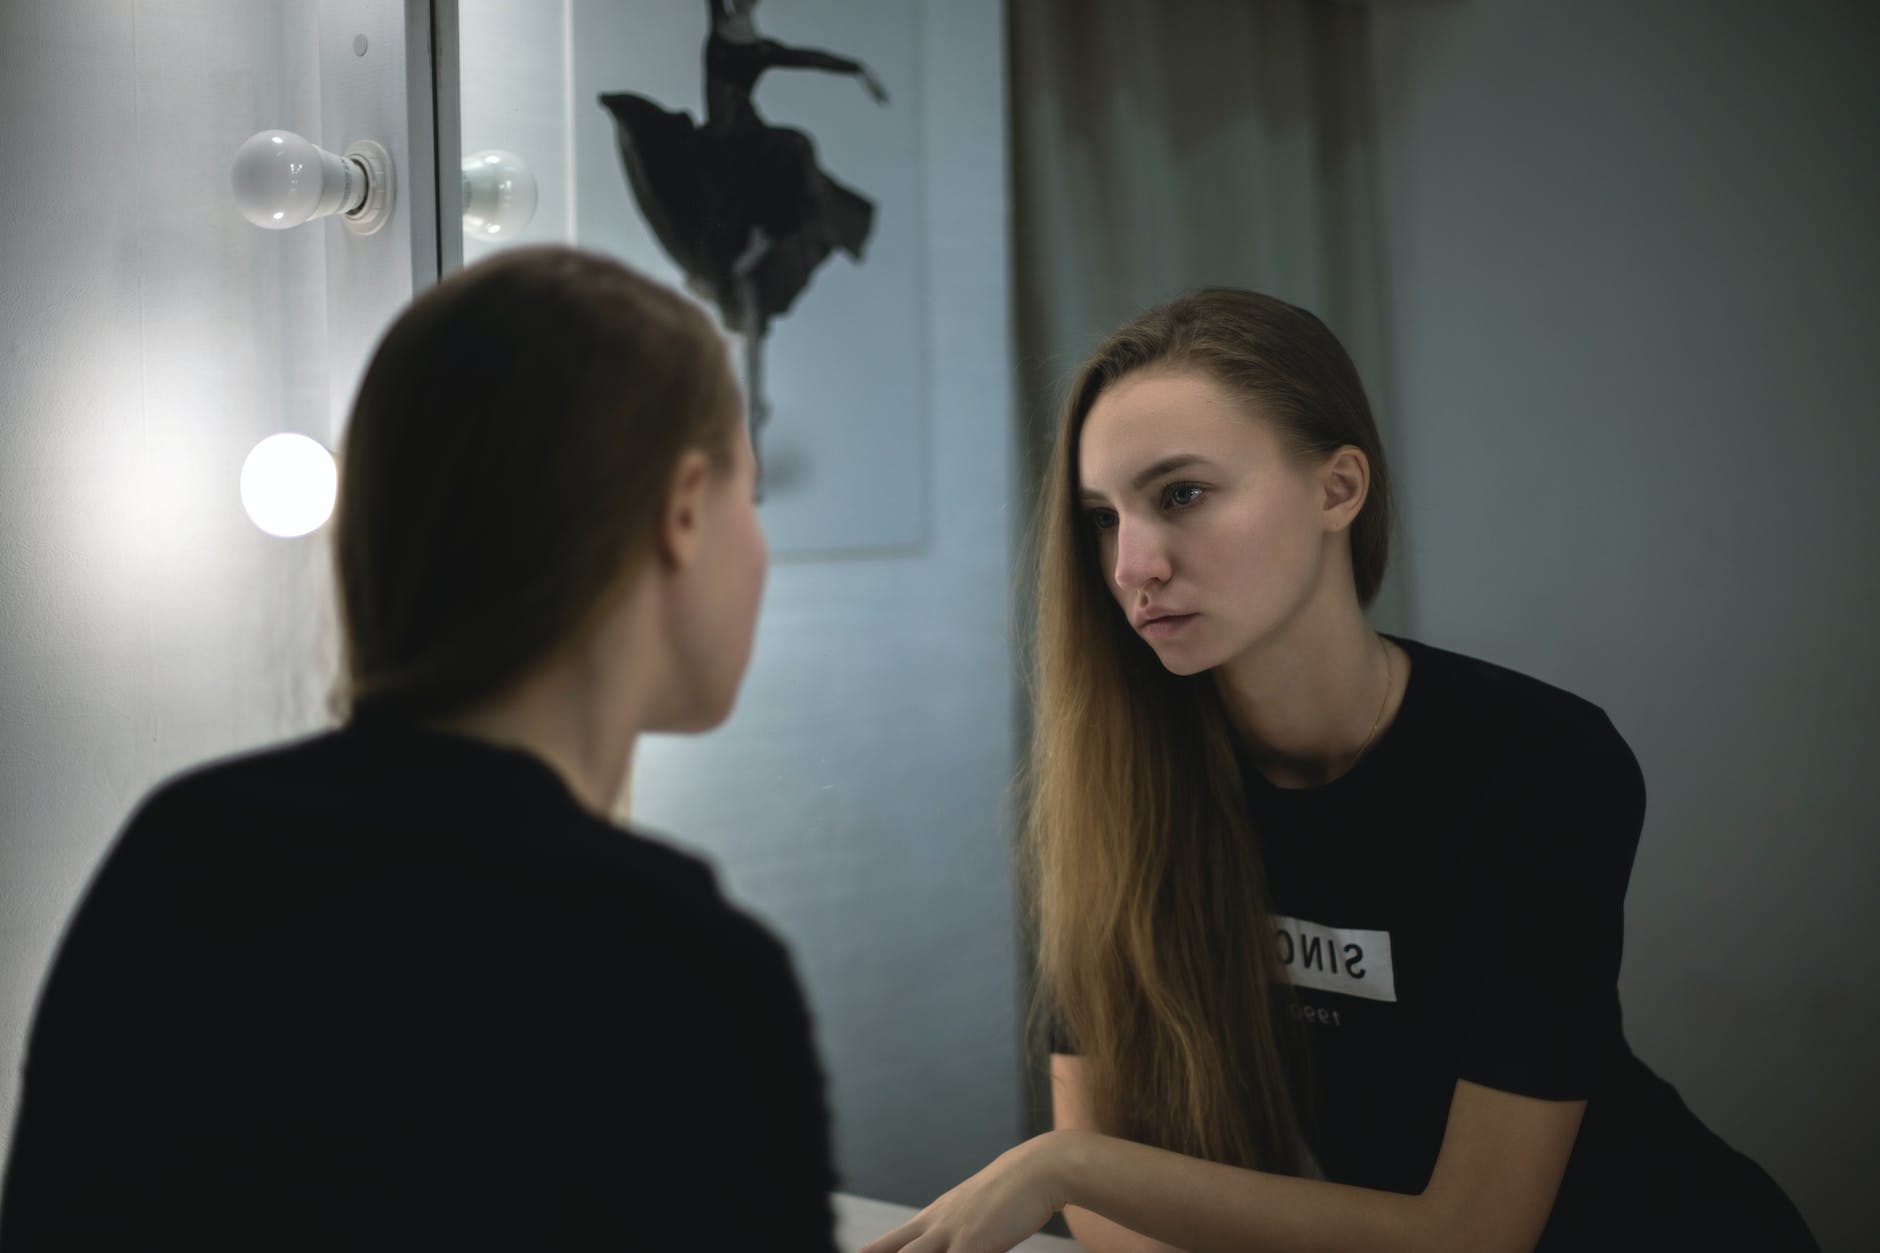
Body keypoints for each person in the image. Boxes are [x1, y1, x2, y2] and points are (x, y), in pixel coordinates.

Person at [864, 289, 1817, 1252]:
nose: (1132, 565)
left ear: (1338, 489)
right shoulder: (1119, 788)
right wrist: (1084, 1171)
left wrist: (1063, 1164)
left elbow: (1472, 1234)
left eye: (1182, 494)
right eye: (1104, 517)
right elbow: (1118, 1223)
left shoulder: (1543, 764)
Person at [0, 247, 839, 1250]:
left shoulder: (180, 850)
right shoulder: (679, 965)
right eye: (750, 493)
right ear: (685, 507)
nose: (759, 546)